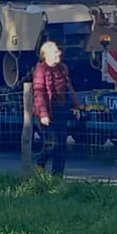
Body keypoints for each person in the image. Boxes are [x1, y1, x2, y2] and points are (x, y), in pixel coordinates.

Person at [32, 40, 82, 177]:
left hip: (61, 110)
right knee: (51, 143)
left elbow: (69, 87)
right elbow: (39, 92)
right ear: (46, 55)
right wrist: (43, 114)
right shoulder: (41, 70)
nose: (58, 54)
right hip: (48, 110)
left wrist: (76, 105)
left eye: (58, 51)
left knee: (61, 145)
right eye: (55, 52)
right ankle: (40, 165)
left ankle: (57, 177)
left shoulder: (63, 68)